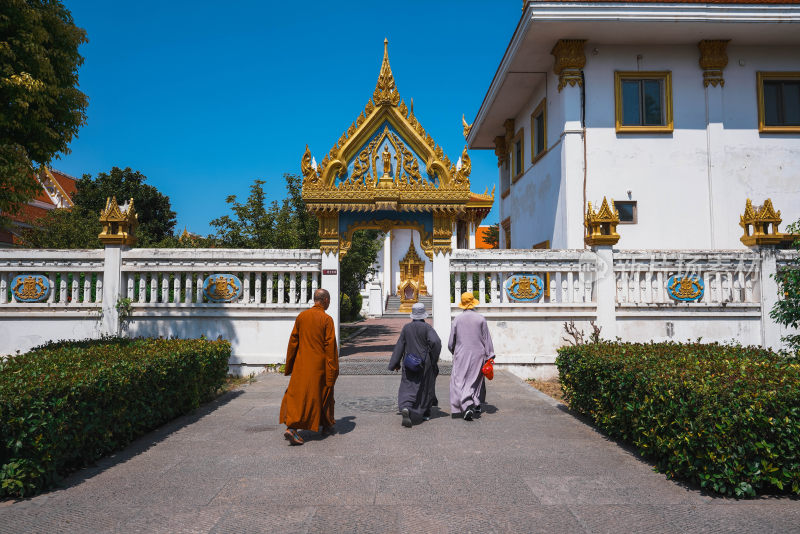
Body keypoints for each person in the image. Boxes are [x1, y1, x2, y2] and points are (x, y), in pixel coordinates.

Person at [280, 288, 338, 445]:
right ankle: (318, 425)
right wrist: (333, 370)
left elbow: (293, 342)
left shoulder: (302, 316)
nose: (329, 303)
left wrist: (290, 365)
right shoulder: (326, 319)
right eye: (329, 300)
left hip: (301, 363)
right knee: (324, 393)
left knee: (299, 396)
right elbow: (330, 346)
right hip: (319, 366)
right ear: (325, 300)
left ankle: (295, 427)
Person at [388, 302, 442, 428]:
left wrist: (395, 363)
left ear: (413, 315)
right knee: (425, 386)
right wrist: (433, 358)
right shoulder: (427, 328)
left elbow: (400, 345)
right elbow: (436, 342)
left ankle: (406, 407)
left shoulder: (406, 328)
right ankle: (424, 412)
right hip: (424, 363)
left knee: (408, 385)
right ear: (424, 315)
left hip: (408, 362)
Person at [448, 292, 496, 421]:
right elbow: (487, 339)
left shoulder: (457, 320)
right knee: (474, 380)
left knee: (459, 380)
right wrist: (490, 355)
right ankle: (472, 403)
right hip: (478, 354)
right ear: (473, 302)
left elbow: (451, 341)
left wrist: (453, 350)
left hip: (461, 353)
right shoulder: (480, 319)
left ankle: (466, 405)